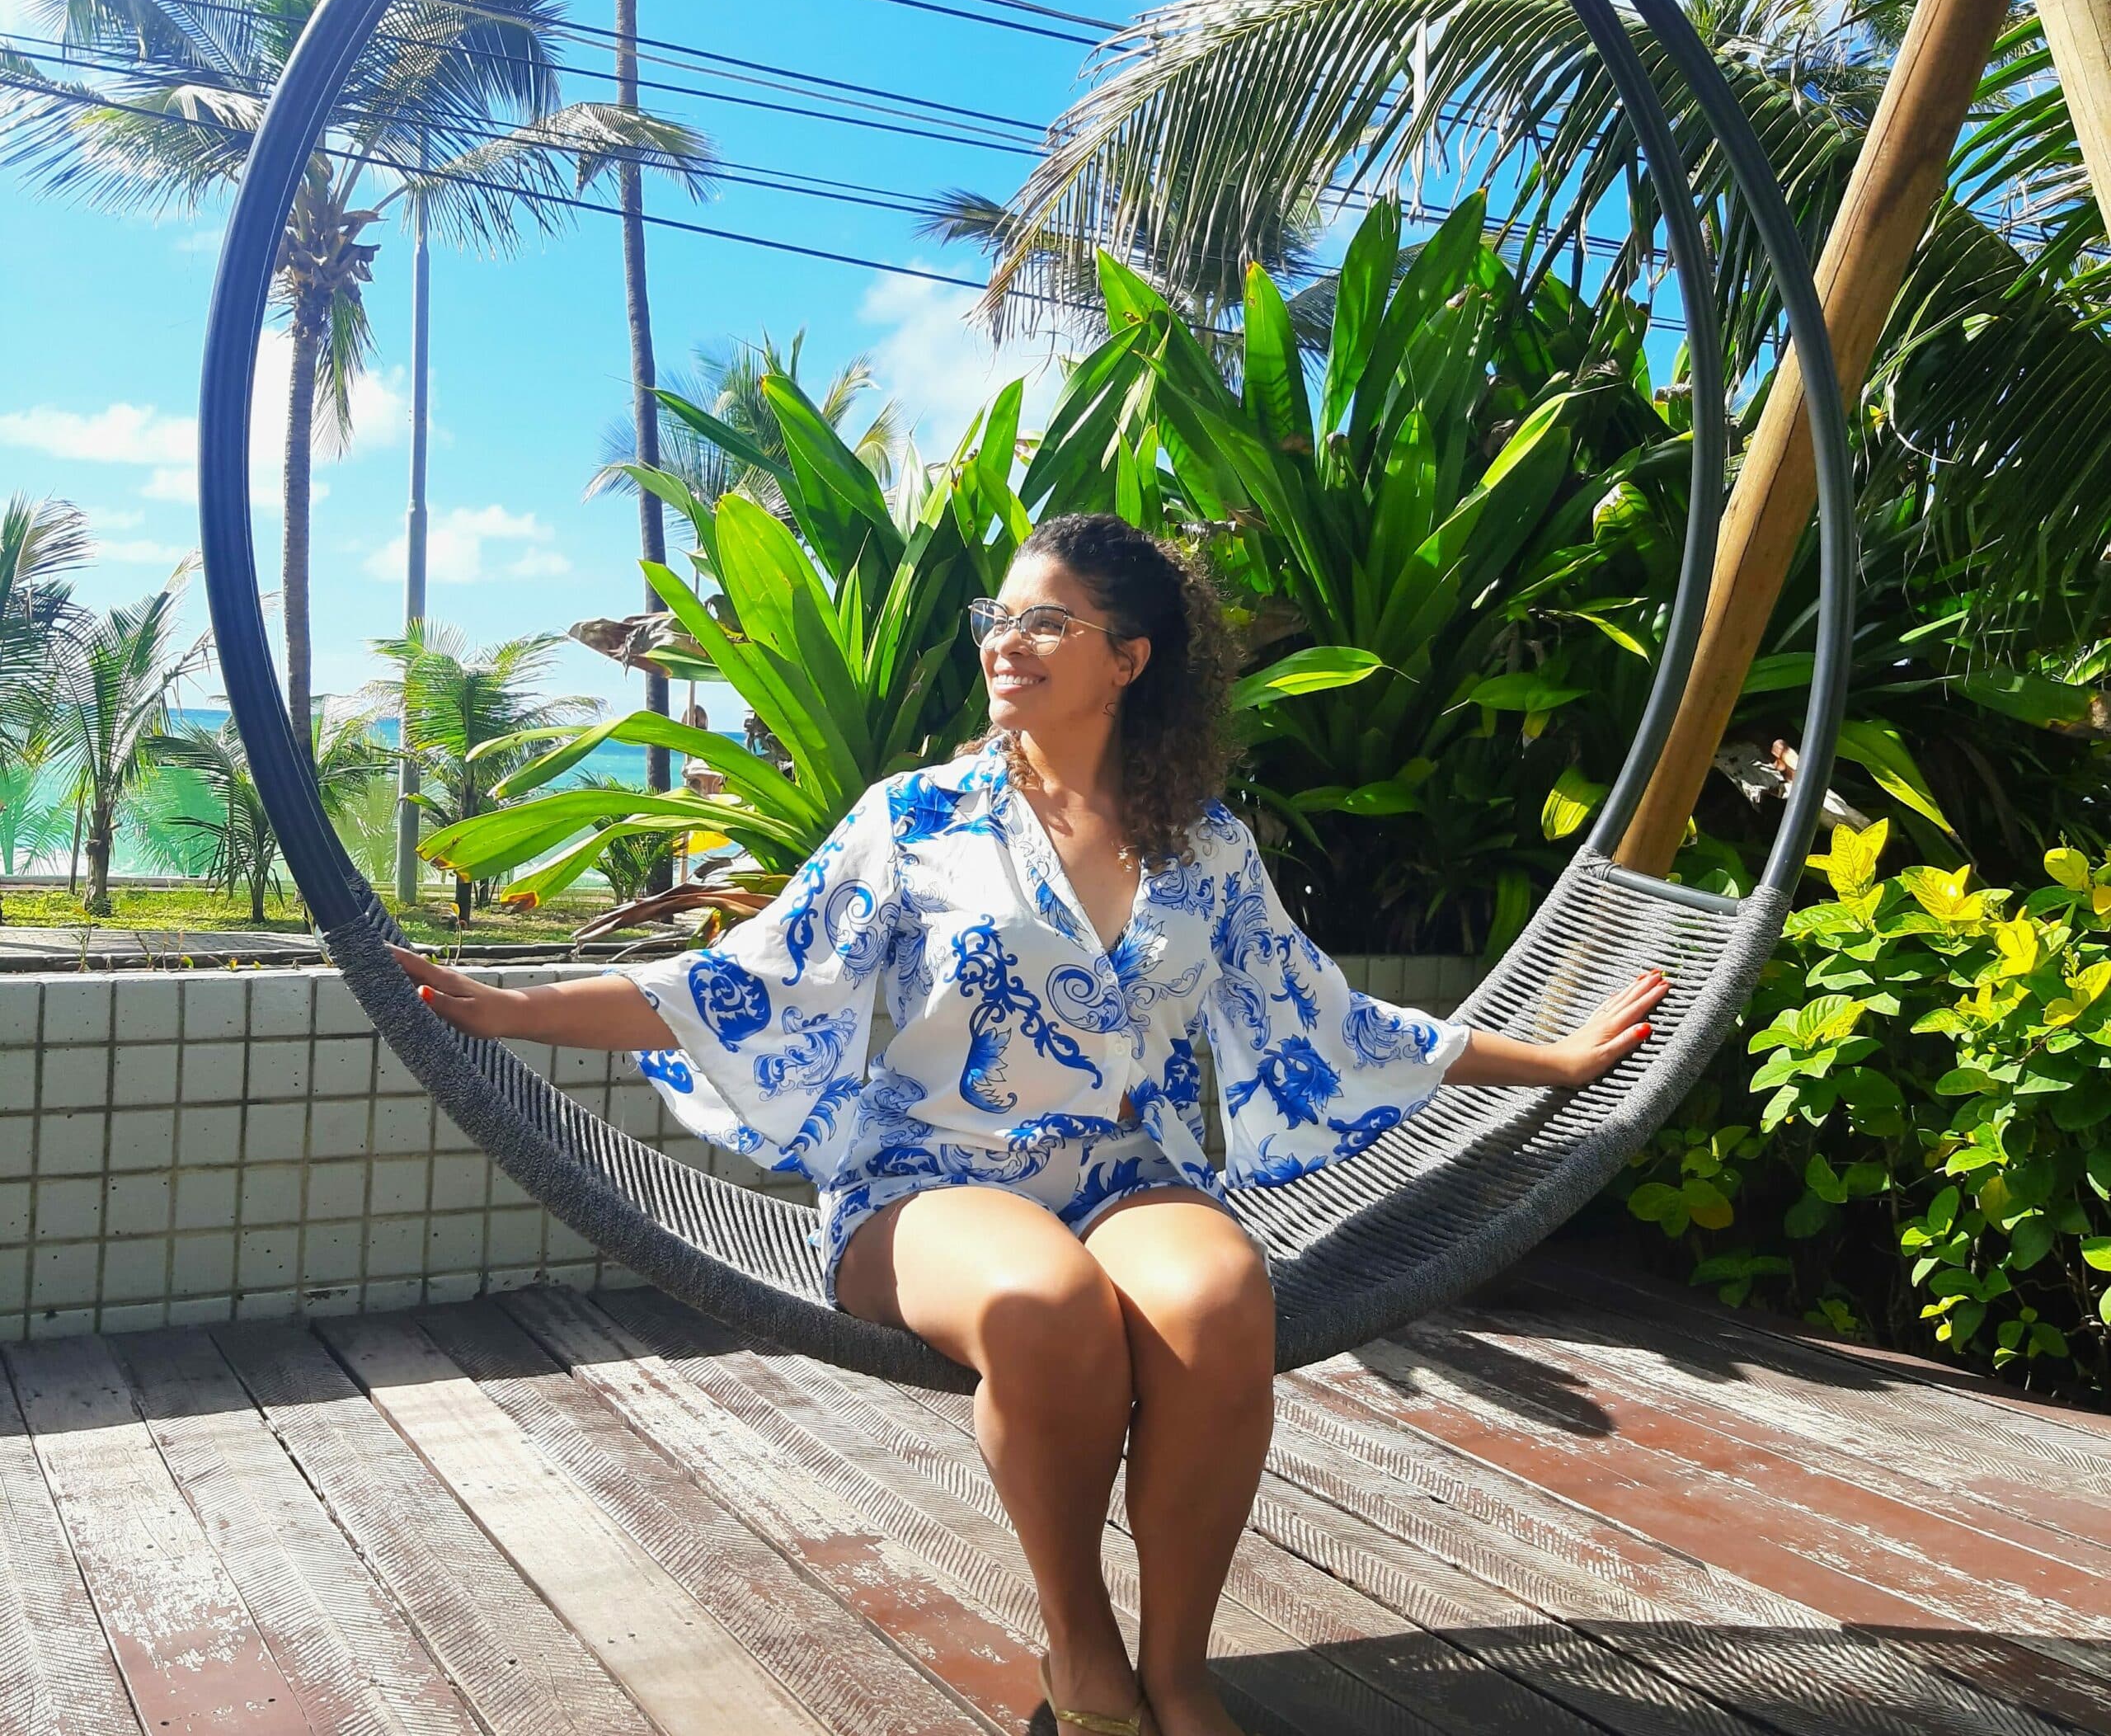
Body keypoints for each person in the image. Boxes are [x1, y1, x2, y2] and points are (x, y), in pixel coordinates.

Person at [393, 512, 1667, 1736]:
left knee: (1223, 1299)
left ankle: (1179, 1671)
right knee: (1046, 1307)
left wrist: (1547, 1058)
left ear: (1130, 659)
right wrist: (516, 1011)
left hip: (1124, 1173)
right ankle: (1082, 1640)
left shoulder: (1206, 849)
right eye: (999, 615)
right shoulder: (915, 821)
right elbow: (754, 982)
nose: (1006, 639)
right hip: (926, 1183)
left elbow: (1323, 1016)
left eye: (1047, 621)